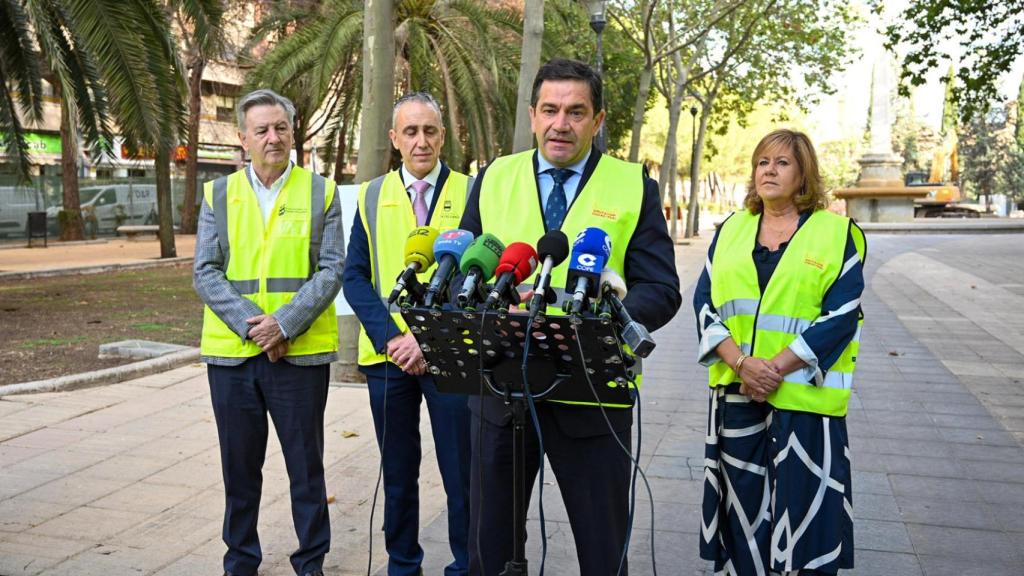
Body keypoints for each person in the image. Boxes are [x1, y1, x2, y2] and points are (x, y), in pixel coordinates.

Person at [458, 58, 681, 575]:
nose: (562, 124)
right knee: (490, 546)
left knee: (602, 545)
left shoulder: (633, 186)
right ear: (533, 115)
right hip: (500, 387)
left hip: (594, 389)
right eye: (551, 110)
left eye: (576, 112)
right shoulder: (492, 178)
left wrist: (604, 318)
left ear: (598, 121)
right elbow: (469, 268)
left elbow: (662, 289)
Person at [693, 129, 866, 575]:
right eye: (762, 162)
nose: (769, 170)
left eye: (782, 162)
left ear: (804, 173)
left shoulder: (837, 233)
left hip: (804, 400)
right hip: (738, 394)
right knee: (743, 511)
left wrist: (774, 369)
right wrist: (742, 364)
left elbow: (842, 314)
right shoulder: (731, 229)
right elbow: (705, 304)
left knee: (805, 513)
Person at [193, 88, 343, 576]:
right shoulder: (218, 193)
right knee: (239, 470)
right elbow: (205, 271)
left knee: (306, 469)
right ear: (243, 139)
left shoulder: (322, 192)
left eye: (280, 127)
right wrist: (254, 327)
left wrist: (284, 325)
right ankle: (240, 561)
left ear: (293, 132)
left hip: (298, 357)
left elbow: (332, 268)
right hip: (233, 358)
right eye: (262, 130)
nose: (272, 137)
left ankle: (310, 561)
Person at [342, 92, 473, 576]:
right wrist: (392, 338)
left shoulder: (471, 190)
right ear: (394, 139)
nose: (422, 141)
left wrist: (429, 339)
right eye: (411, 132)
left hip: (453, 357)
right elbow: (355, 277)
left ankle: (466, 563)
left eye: (430, 130)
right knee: (398, 474)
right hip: (388, 360)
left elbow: (476, 280)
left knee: (463, 473)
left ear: (443, 135)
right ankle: (403, 564)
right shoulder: (371, 195)